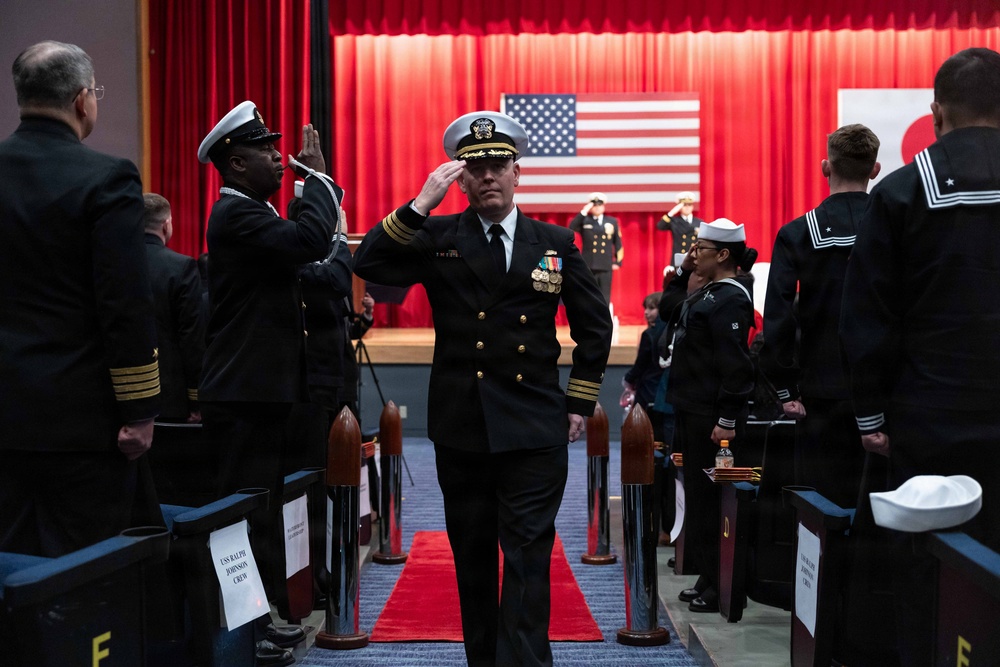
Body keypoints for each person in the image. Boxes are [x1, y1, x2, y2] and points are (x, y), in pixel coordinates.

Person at [353, 110, 612, 667]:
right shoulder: (438, 236)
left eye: (498, 165)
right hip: (463, 426)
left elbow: (596, 326)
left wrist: (581, 400)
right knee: (472, 559)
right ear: (461, 180)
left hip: (533, 423)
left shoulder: (555, 241)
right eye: (475, 169)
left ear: (518, 173)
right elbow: (367, 261)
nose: (488, 176)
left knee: (525, 559)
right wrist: (421, 203)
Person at [840, 47, 1000, 666]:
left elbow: (868, 315)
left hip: (932, 423)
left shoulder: (903, 192)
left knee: (928, 577)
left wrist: (872, 416)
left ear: (936, 114)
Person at [0, 41, 160, 557]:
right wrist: (139, 410)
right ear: (82, 99)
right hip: (81, 421)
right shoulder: (106, 177)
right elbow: (124, 303)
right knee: (80, 572)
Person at [197, 101, 341, 666]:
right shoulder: (237, 214)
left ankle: (257, 625)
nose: (281, 161)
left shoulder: (249, 211)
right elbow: (309, 242)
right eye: (268, 152)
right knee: (240, 519)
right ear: (236, 164)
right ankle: (238, 634)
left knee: (258, 515)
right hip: (243, 393)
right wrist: (320, 177)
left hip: (257, 390)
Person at [760, 124, 880, 508]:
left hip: (819, 390)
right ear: (875, 170)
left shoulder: (796, 233)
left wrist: (784, 388)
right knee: (878, 506)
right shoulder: (896, 228)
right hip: (884, 388)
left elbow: (777, 318)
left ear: (826, 167)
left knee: (820, 506)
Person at [665, 219, 757, 613]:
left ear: (722, 255)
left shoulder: (731, 298)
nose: (692, 253)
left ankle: (721, 583)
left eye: (699, 248)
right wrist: (684, 271)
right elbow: (670, 309)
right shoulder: (708, 293)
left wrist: (729, 419)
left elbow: (735, 368)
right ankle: (707, 573)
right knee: (698, 499)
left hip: (711, 418)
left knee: (712, 501)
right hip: (691, 409)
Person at [143, 193, 206, 424]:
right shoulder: (181, 267)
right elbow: (191, 337)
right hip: (169, 393)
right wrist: (196, 398)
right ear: (166, 224)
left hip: (118, 394)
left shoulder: (113, 265)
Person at [568, 192, 622, 303]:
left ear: (603, 206)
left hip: (605, 264)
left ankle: (603, 319)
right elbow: (572, 226)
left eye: (599, 205)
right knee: (587, 293)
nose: (597, 208)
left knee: (605, 295)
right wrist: (584, 210)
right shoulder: (585, 220)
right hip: (589, 263)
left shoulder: (611, 221)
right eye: (594, 205)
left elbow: (617, 242)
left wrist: (618, 261)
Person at [657, 190, 704, 258]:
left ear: (692, 207)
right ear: (679, 207)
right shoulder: (675, 221)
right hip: (679, 257)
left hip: (694, 258)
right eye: (684, 205)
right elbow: (660, 226)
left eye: (689, 205)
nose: (687, 207)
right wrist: (672, 212)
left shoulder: (699, 222)